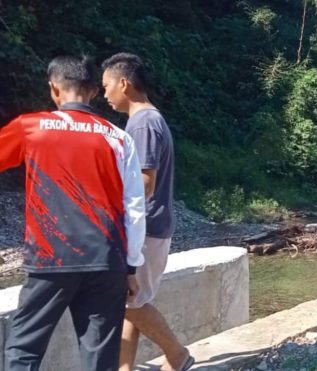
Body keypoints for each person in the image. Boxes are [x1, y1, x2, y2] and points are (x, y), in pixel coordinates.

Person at [1, 55, 145, 370]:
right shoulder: (118, 137)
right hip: (108, 261)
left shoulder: (31, 126)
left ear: (54, 89)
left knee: (23, 350)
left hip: (52, 259)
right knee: (100, 356)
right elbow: (134, 207)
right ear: (93, 91)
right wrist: (131, 266)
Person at [102, 52, 194, 371]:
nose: (104, 95)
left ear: (124, 83)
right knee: (131, 301)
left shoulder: (142, 124)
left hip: (146, 227)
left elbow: (145, 181)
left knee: (128, 301)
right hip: (152, 225)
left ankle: (177, 353)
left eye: (106, 86)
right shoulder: (146, 120)